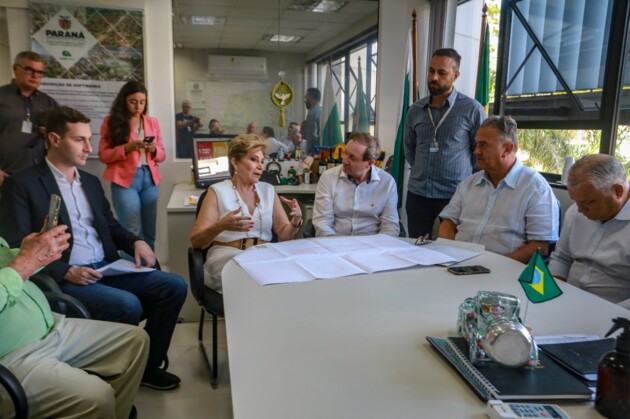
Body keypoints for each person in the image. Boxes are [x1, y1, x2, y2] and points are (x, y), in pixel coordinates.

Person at [0, 106, 187, 391]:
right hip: (67, 275)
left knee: (174, 286)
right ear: (54, 139)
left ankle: (147, 367)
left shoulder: (90, 181)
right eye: (79, 140)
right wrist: (66, 271)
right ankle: (113, 376)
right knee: (127, 304)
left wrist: (135, 241)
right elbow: (15, 246)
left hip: (106, 266)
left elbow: (110, 226)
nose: (90, 147)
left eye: (89, 138)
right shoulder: (22, 184)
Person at [0, 226, 149, 419]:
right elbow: (17, 271)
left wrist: (37, 252)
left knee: (135, 340)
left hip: (50, 326)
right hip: (12, 355)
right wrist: (25, 261)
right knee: (97, 397)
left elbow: (8, 265)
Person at [190, 134, 303, 292]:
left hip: (263, 257)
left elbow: (284, 234)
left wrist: (295, 222)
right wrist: (220, 225)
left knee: (293, 275)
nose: (260, 166)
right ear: (235, 162)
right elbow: (197, 241)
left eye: (262, 161)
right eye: (254, 159)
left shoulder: (268, 190)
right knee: (257, 280)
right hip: (226, 258)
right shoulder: (217, 191)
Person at [438, 116, 559, 263]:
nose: (476, 151)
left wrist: (495, 266)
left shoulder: (536, 189)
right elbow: (448, 223)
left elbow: (540, 246)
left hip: (503, 271)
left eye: (483, 145)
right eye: (476, 144)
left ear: (507, 149)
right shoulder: (468, 184)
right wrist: (447, 254)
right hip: (456, 263)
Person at [404, 48, 487, 238]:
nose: (434, 77)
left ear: (455, 75)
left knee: (451, 250)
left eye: (442, 73)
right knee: (415, 249)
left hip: (454, 196)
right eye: (431, 71)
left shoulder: (472, 109)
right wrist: (421, 169)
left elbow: (480, 152)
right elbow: (410, 148)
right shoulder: (415, 110)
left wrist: (465, 179)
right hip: (419, 193)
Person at [549, 154, 630, 309]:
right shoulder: (575, 212)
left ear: (618, 191)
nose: (580, 210)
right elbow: (561, 258)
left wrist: (611, 314)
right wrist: (554, 290)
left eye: (588, 202)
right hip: (568, 301)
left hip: (613, 312)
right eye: (575, 201)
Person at [99, 81, 165, 250]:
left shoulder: (152, 122)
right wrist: (127, 148)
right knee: (132, 230)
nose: (138, 106)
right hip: (125, 179)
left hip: (150, 178)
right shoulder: (111, 122)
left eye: (142, 102)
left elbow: (162, 154)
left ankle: (150, 270)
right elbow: (104, 155)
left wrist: (153, 150)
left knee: (150, 230)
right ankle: (133, 271)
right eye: (133, 102)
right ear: (124, 101)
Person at [313, 133, 399, 237]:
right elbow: (322, 222)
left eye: (352, 158)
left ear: (370, 163)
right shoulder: (328, 177)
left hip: (372, 246)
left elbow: (389, 227)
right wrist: (335, 247)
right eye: (345, 153)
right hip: (336, 243)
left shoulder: (387, 182)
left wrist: (378, 250)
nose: (344, 160)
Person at [0, 51, 58, 186]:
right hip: (6, 176)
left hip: (40, 176)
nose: (35, 76)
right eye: (29, 70)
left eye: (40, 72)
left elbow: (59, 138)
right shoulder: (1, 97)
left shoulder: (49, 103)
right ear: (15, 68)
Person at [305, 88, 321, 153]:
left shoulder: (313, 113)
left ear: (311, 98)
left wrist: (310, 150)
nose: (305, 101)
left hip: (314, 150)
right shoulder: (320, 111)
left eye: (306, 98)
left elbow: (313, 135)